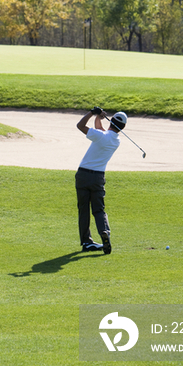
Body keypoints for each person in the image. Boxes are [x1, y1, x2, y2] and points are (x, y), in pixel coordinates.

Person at [75, 107, 127, 255]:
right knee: (99, 209)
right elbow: (101, 130)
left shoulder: (100, 136)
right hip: (98, 178)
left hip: (83, 175)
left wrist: (92, 113)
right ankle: (104, 232)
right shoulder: (116, 140)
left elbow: (80, 126)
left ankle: (86, 241)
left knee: (83, 209)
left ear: (112, 121)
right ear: (122, 127)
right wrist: (99, 117)